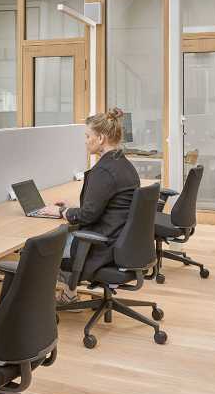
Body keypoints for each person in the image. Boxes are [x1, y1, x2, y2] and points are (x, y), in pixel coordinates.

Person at [40, 108, 140, 304]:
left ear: (100, 138)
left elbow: (87, 216)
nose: (85, 141)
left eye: (88, 136)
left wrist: (61, 211)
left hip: (102, 245)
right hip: (119, 240)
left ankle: (38, 309)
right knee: (59, 236)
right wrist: (72, 207)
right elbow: (106, 206)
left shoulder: (104, 171)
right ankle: (69, 295)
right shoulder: (123, 164)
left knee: (40, 246)